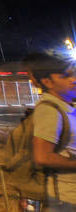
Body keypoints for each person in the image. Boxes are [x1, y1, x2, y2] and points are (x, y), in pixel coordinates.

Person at [24, 52, 76, 210]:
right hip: (66, 200)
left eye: (73, 73)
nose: (73, 80)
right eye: (65, 76)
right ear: (47, 82)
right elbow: (42, 156)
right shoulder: (49, 110)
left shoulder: (66, 106)